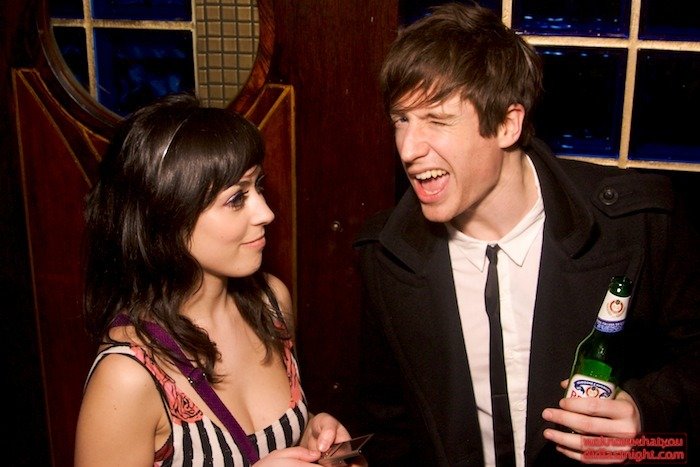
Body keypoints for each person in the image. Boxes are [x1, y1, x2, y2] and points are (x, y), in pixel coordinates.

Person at [353, 2, 699, 466]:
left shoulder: (637, 227)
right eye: (401, 119)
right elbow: (388, 426)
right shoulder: (385, 257)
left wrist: (647, 421)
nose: (408, 148)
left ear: (507, 123)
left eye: (436, 119)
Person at [75, 93, 355, 466]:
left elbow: (265, 445)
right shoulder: (127, 377)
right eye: (236, 199)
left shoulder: (271, 303)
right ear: (168, 218)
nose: (266, 213)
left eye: (258, 186)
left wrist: (312, 437)